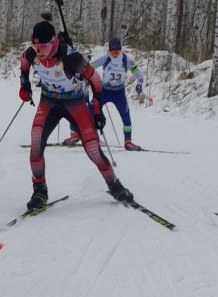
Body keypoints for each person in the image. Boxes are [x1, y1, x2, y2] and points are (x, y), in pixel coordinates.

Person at [20, 12, 133, 209]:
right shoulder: (31, 54)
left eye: (44, 47)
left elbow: (95, 80)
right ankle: (39, 191)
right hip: (49, 102)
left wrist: (97, 110)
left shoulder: (70, 57)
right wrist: (25, 87)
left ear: (54, 41)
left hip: (75, 103)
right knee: (36, 140)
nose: (39, 51)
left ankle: (114, 184)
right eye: (36, 46)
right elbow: (24, 66)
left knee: (92, 149)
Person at [91, 36, 145, 151]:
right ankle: (92, 137)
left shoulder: (126, 60)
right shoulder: (105, 58)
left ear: (121, 50)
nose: (115, 54)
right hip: (104, 91)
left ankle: (128, 141)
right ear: (109, 51)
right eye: (112, 51)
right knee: (92, 109)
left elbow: (139, 74)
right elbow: (89, 67)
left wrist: (139, 85)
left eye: (117, 51)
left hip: (119, 93)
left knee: (126, 116)